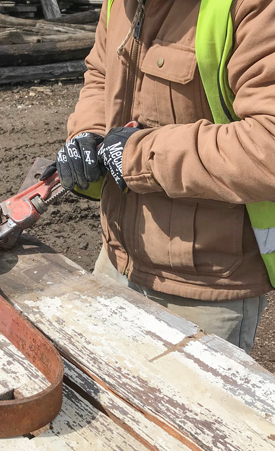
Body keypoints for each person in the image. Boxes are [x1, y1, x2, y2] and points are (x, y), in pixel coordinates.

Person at [41, 0, 275, 353]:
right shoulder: (120, 3)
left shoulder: (252, 7)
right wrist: (85, 133)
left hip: (205, 287)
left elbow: (268, 145)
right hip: (117, 259)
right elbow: (101, 74)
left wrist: (139, 155)